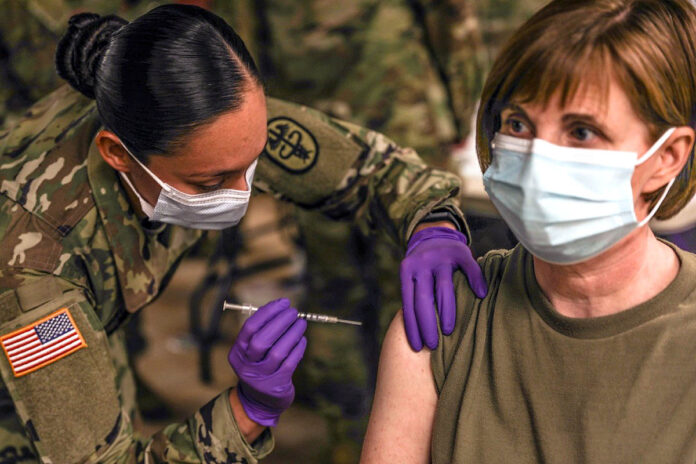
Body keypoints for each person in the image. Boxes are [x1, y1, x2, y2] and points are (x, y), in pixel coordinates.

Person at [0, 4, 486, 463]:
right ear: (118, 154)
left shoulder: (196, 117)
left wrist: (432, 222)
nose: (242, 193)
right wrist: (246, 411)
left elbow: (371, 170)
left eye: (252, 163)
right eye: (211, 182)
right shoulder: (34, 272)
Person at [361, 0, 696, 462]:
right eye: (518, 124)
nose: (537, 161)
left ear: (668, 158)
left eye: (581, 132)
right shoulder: (444, 324)